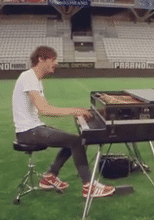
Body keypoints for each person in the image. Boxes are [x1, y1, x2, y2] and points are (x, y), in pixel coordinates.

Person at [12, 46, 115, 198]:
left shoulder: (35, 80)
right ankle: (89, 186)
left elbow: (43, 109)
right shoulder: (29, 77)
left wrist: (79, 110)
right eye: (53, 59)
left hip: (33, 128)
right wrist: (74, 111)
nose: (56, 63)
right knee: (77, 141)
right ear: (41, 59)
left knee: (73, 140)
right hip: (28, 132)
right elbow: (44, 109)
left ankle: (49, 177)